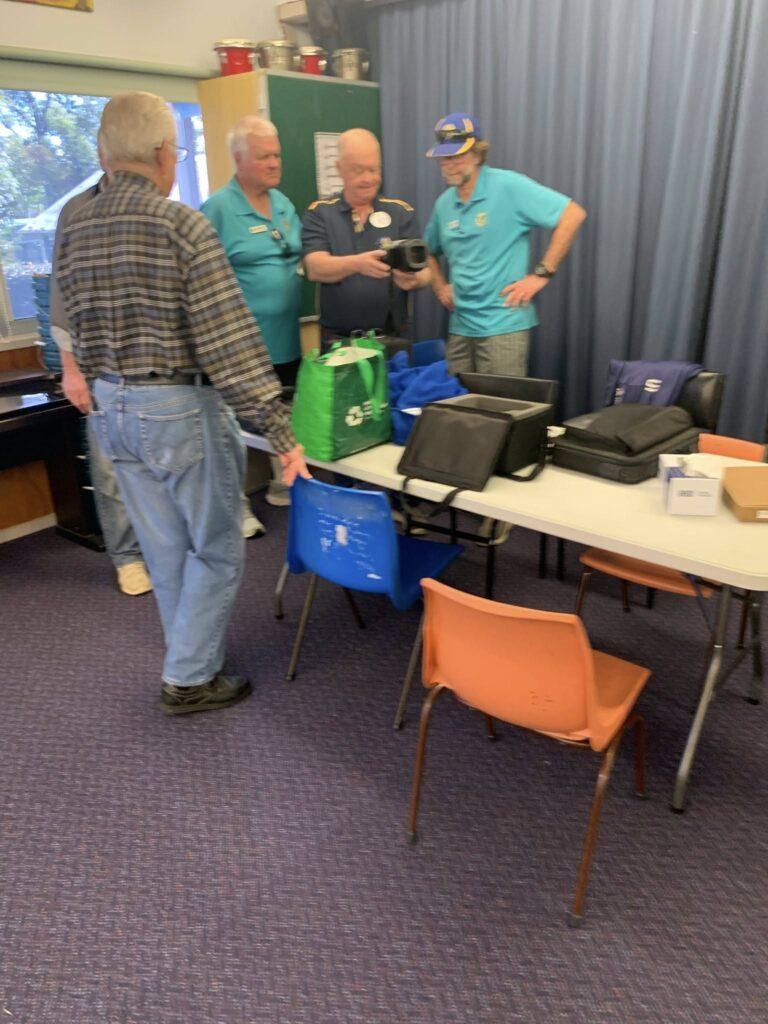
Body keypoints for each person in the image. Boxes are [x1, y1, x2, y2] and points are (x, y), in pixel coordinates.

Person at [56, 91, 310, 716]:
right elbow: (228, 340)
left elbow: (68, 318)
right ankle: (189, 678)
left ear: (104, 154)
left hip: (111, 408)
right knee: (219, 547)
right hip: (176, 408)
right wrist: (282, 432)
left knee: (164, 546)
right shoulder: (181, 224)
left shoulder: (75, 222)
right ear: (165, 154)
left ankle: (192, 656)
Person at [49, 175, 152, 597]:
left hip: (149, 356)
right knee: (110, 465)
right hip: (98, 362)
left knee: (156, 461)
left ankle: (160, 547)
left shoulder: (153, 204)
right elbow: (60, 291)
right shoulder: (76, 211)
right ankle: (127, 557)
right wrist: (71, 369)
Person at [425, 112, 586, 376]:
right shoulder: (444, 204)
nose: (449, 164)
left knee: (501, 411)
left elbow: (573, 214)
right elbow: (427, 251)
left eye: (457, 156)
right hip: (461, 328)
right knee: (456, 411)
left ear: (477, 154)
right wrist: (440, 287)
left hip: (504, 327)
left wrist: (542, 274)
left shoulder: (508, 186)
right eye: (444, 158)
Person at [201, 115, 301, 511]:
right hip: (240, 351)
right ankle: (234, 507)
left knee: (284, 420)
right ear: (239, 160)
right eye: (264, 157)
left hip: (287, 341)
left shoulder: (283, 203)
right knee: (229, 433)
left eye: (277, 155)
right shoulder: (218, 209)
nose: (275, 163)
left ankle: (282, 487)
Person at [302, 128, 430, 344]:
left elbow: (426, 273)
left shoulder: (400, 212)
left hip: (391, 342)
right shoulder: (320, 213)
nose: (368, 179)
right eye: (358, 170)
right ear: (339, 169)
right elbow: (315, 268)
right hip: (338, 344)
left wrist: (415, 280)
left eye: (374, 169)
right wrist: (357, 264)